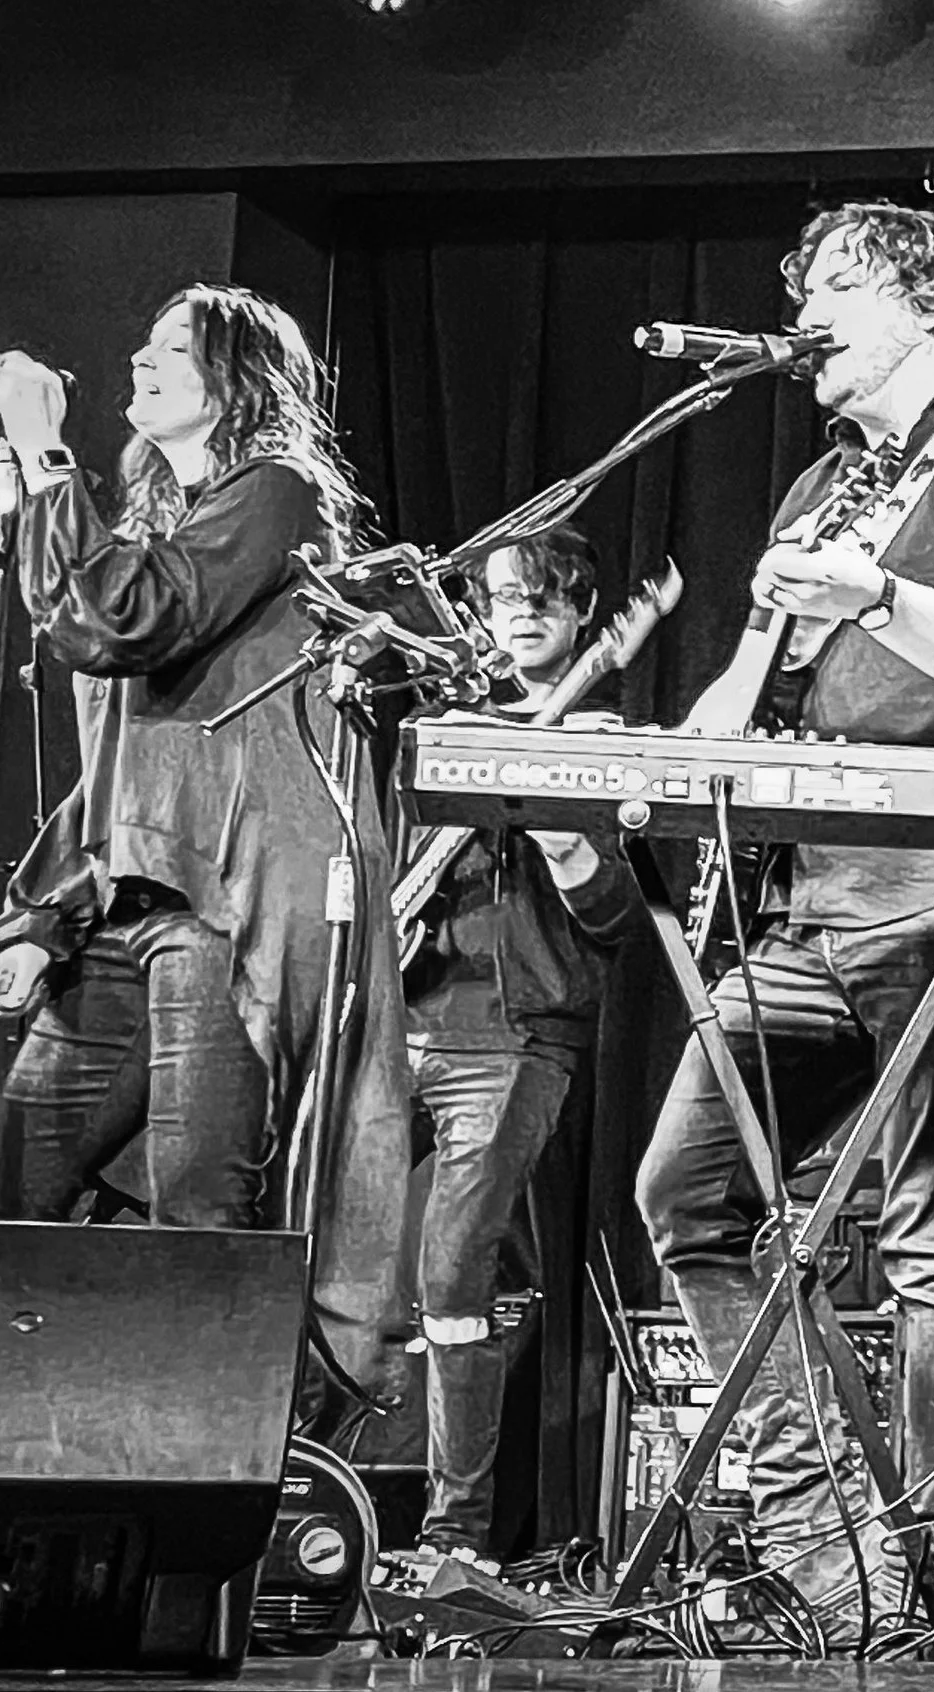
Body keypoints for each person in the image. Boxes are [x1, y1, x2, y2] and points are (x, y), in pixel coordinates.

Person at [638, 201, 934, 1634]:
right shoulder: (823, 489)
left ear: (926, 306)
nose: (808, 321)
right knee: (691, 1196)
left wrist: (881, 591)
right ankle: (828, 1534)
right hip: (806, 900)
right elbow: (743, 697)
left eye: (837, 287)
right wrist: (657, 758)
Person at [0, 284, 408, 1413]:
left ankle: (203, 1501)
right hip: (125, 913)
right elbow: (119, 749)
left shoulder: (279, 499)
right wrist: (43, 915)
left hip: (222, 909)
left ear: (239, 377)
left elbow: (118, 621)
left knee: (199, 1202)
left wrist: (42, 448)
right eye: (144, 339)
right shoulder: (165, 528)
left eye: (173, 346)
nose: (139, 357)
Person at [395, 526, 634, 1562]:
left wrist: (568, 837)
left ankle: (455, 1540)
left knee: (452, 1275)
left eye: (546, 595)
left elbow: (620, 920)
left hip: (513, 1037)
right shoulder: (434, 726)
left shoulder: (606, 734)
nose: (523, 610)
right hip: (398, 1018)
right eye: (502, 597)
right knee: (335, 1264)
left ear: (586, 613)